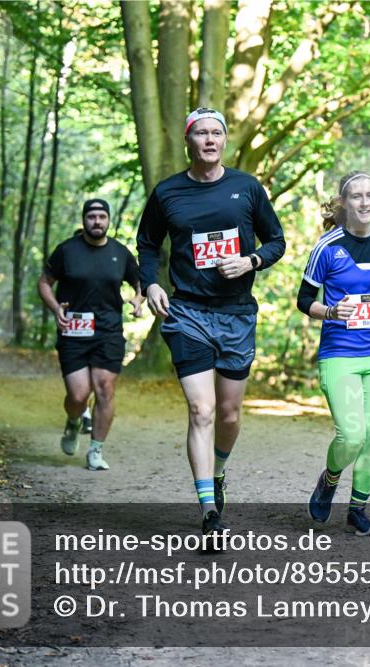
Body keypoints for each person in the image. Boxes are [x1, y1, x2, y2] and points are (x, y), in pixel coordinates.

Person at [136, 108, 285, 542]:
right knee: (201, 410)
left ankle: (218, 472)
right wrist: (150, 285)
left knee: (229, 413)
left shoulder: (247, 188)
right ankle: (208, 512)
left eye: (216, 132)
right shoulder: (168, 193)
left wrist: (251, 260)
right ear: (188, 140)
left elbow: (276, 240)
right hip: (188, 313)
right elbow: (147, 244)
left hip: (237, 313)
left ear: (224, 141)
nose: (209, 139)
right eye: (200, 132)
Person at [297, 171, 370, 536]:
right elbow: (304, 301)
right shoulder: (327, 247)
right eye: (356, 197)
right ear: (344, 203)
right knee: (352, 435)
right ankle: (330, 479)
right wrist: (331, 311)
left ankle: (358, 510)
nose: (364, 203)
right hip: (340, 354)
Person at [38, 198, 144, 471]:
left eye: (102, 217)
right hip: (73, 330)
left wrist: (137, 299)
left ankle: (95, 452)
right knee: (78, 396)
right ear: (84, 220)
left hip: (108, 331)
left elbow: (138, 282)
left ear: (108, 220)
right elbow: (45, 283)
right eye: (92, 216)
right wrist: (54, 309)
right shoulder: (66, 251)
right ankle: (73, 421)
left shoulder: (120, 253)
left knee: (105, 390)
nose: (97, 221)